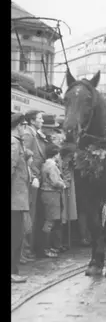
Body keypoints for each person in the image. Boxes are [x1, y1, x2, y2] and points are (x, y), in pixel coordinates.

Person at [22, 110, 48, 260]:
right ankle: (25, 250)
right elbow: (25, 157)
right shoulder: (28, 135)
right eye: (40, 118)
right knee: (29, 215)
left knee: (33, 215)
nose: (42, 121)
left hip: (36, 179)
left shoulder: (35, 135)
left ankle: (28, 248)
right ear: (32, 121)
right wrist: (32, 177)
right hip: (31, 181)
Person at [12, 113, 31, 283]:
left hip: (16, 199)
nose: (26, 129)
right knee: (15, 236)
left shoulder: (16, 143)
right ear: (19, 126)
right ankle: (12, 272)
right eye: (24, 125)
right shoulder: (14, 143)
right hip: (14, 200)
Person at [39, 144, 67, 258]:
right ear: (56, 154)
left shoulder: (45, 164)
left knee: (50, 220)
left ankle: (47, 247)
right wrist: (63, 184)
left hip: (46, 193)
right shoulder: (52, 165)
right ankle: (45, 249)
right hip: (51, 194)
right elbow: (55, 181)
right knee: (50, 221)